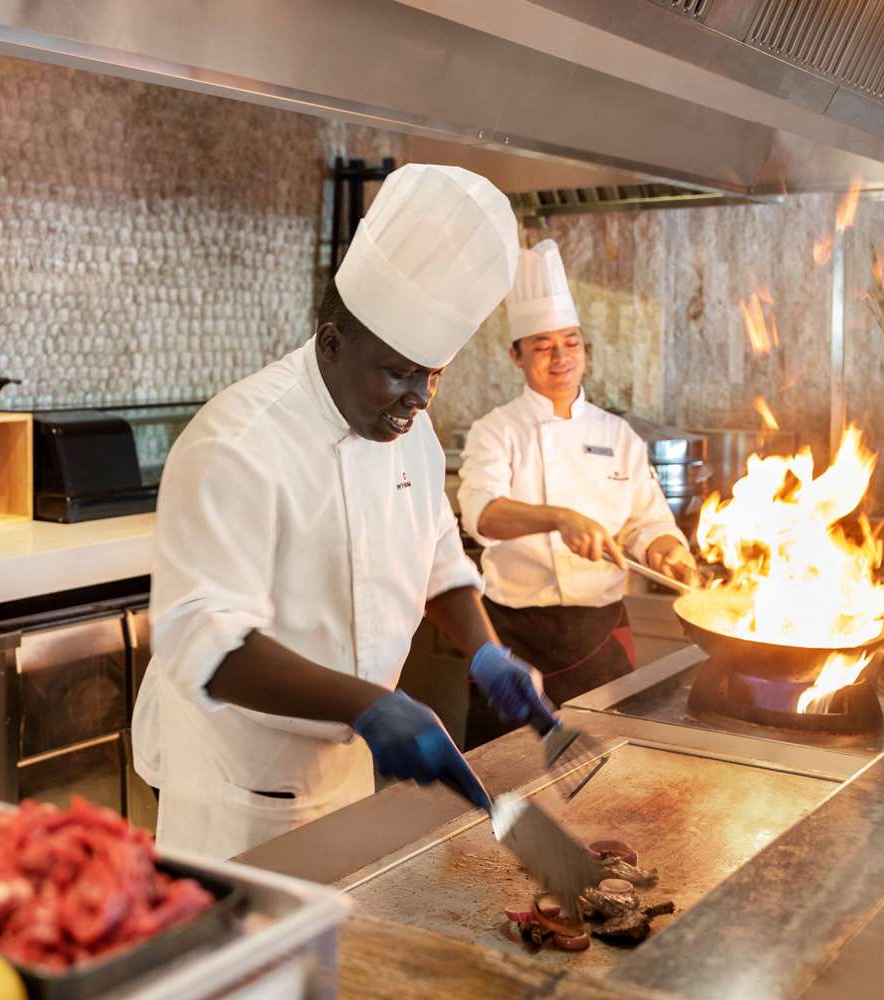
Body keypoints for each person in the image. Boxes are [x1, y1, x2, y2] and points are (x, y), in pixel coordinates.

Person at [132, 164, 551, 859]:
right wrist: (368, 704)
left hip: (351, 765)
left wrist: (486, 651)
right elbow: (203, 639)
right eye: (399, 372)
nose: (420, 399)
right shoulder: (237, 442)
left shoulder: (409, 432)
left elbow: (437, 557)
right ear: (331, 343)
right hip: (239, 781)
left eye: (432, 375)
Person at [457, 239, 698, 747]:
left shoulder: (618, 434)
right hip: (514, 635)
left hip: (601, 635)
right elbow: (483, 514)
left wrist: (665, 550)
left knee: (611, 766)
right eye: (542, 346)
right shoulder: (495, 430)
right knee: (499, 769)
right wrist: (559, 518)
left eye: (571, 342)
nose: (561, 356)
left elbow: (647, 523)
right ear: (516, 355)